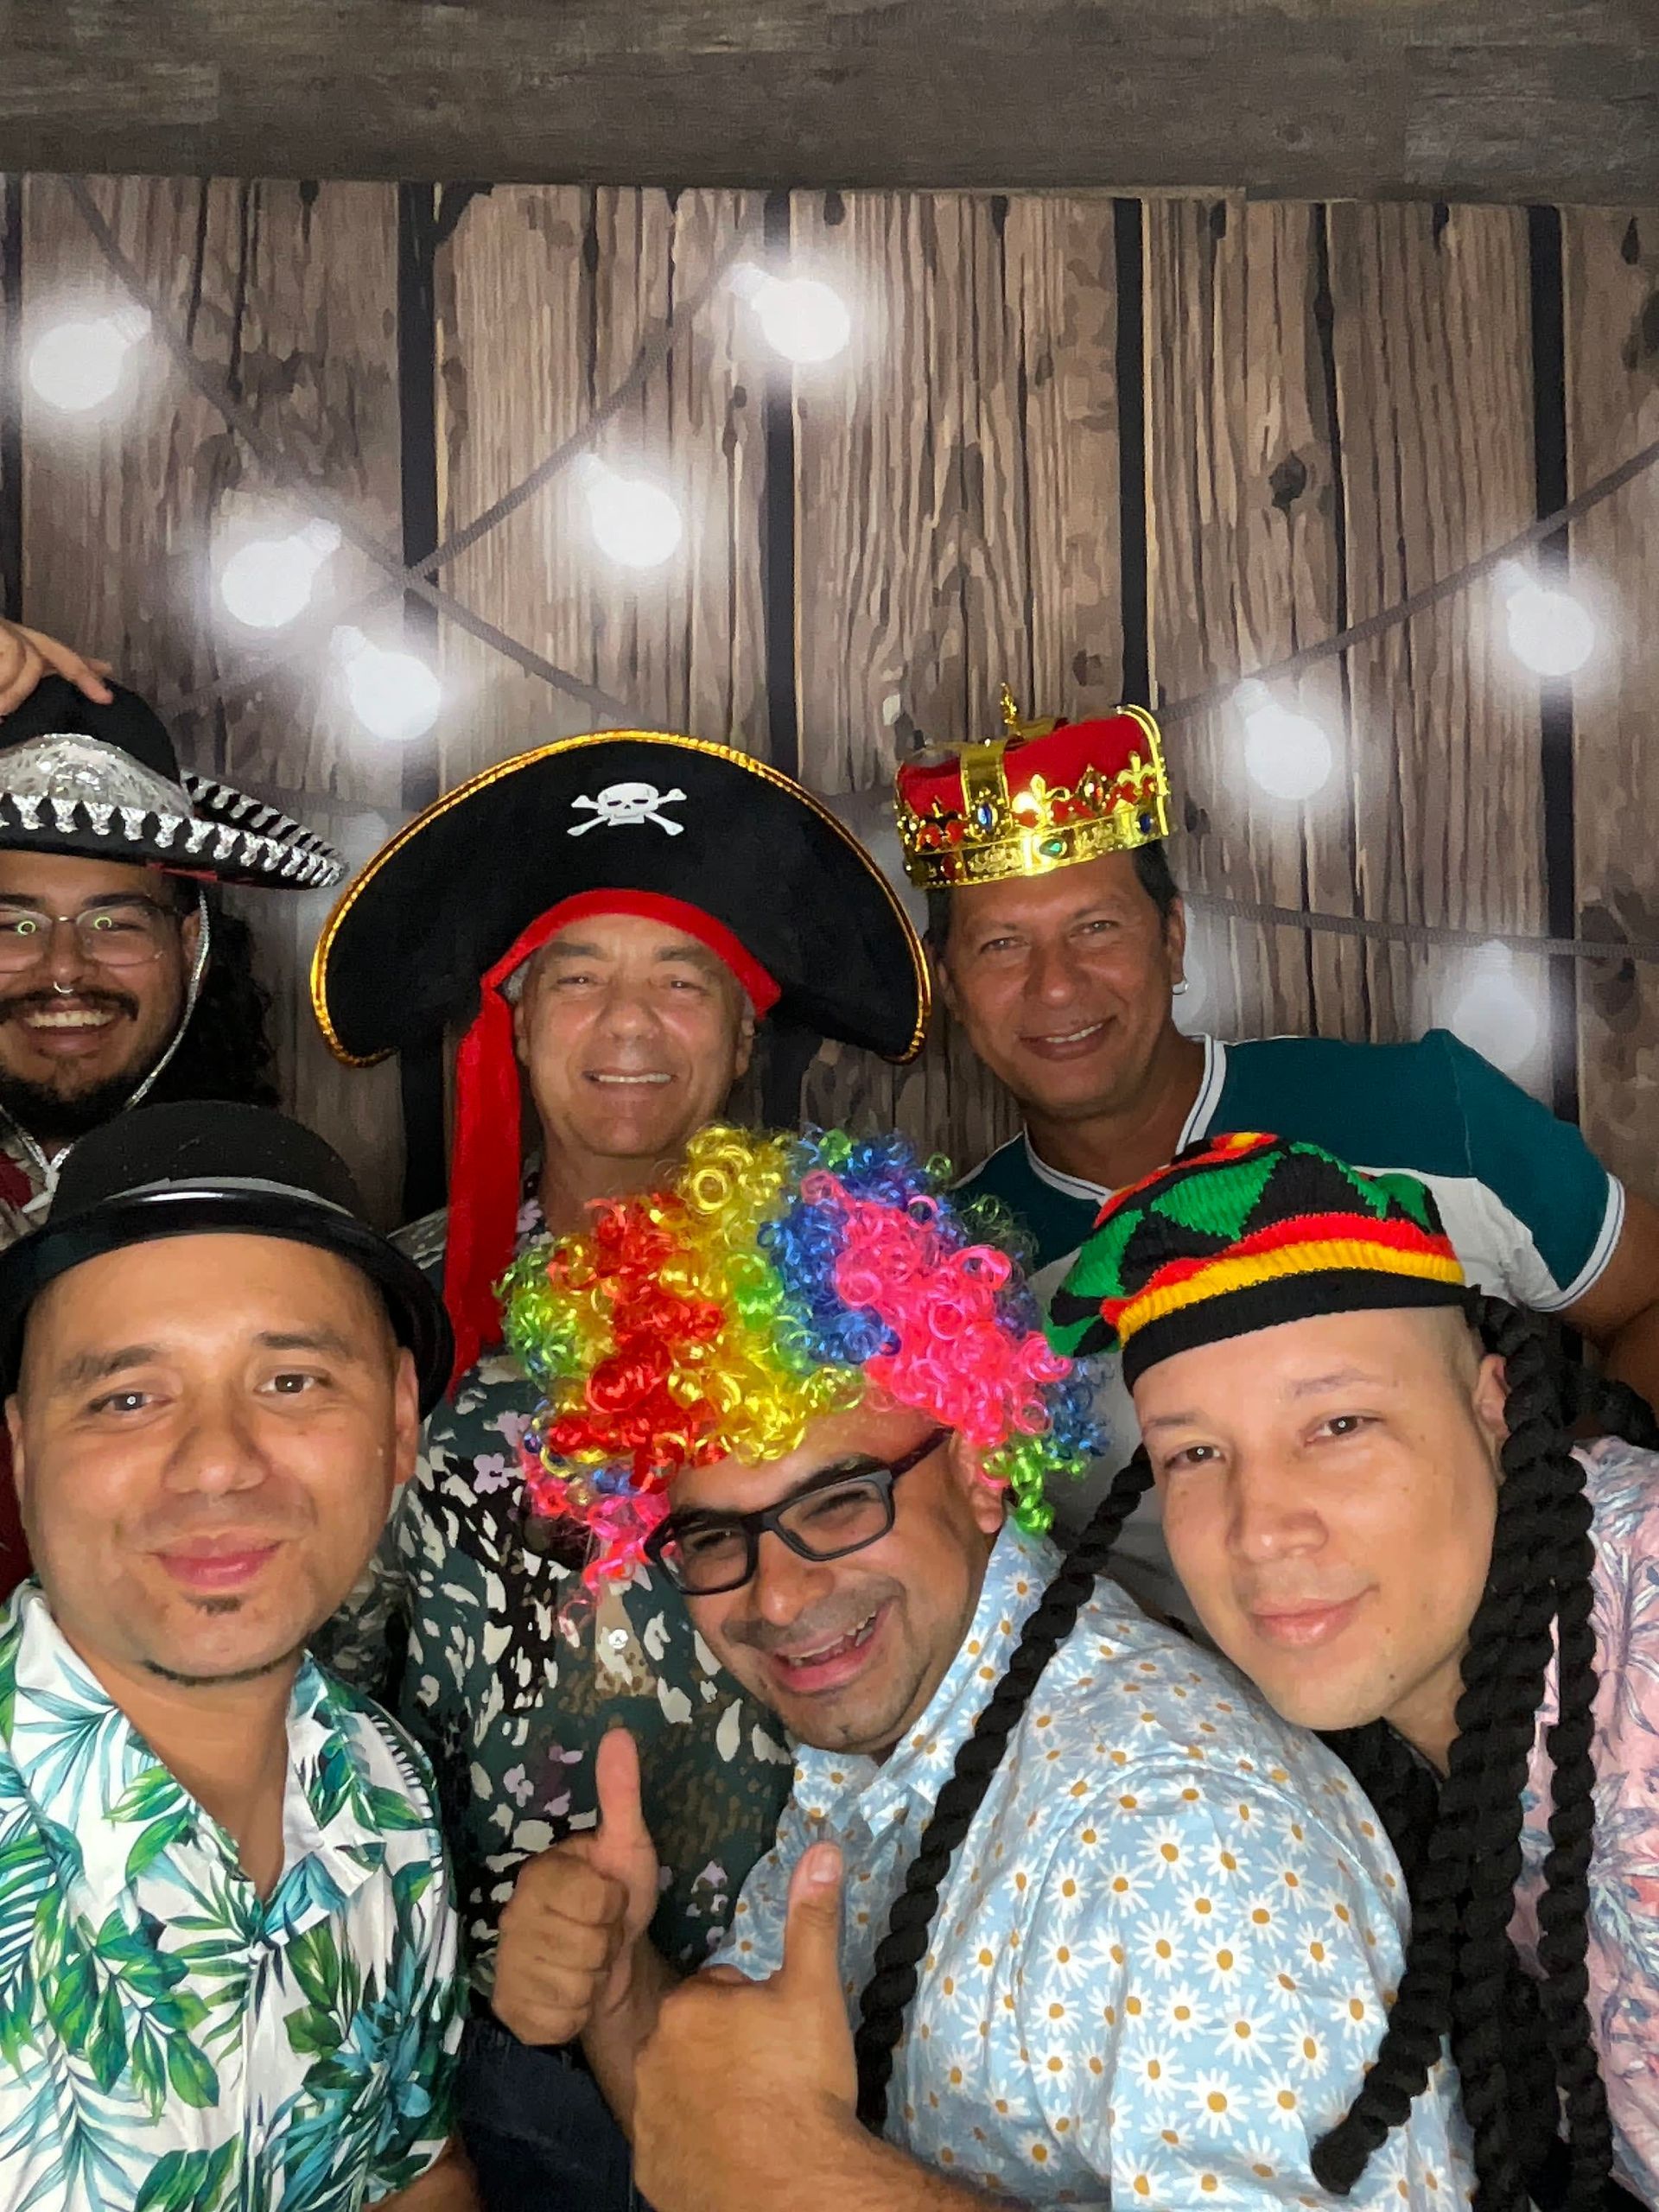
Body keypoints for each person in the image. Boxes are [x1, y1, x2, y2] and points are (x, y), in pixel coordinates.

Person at [486, 1122, 1474, 2208]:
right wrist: (621, 1989)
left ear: (979, 1467)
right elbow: (729, 2154)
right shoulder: (883, 1740)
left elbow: (789, 2173)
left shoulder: (1185, 1835)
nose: (775, 1596)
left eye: (839, 1499)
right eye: (717, 1537)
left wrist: (838, 2188)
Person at [312, 733, 928, 2204]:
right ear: (514, 1024)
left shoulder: (875, 1287)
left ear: (740, 1032)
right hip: (505, 2031)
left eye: (682, 978)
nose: (628, 1023)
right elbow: (317, 1697)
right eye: (578, 976)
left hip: (848, 1990)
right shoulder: (385, 1312)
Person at [893, 692, 1659, 1605]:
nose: (1055, 985)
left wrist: (1560, 1515)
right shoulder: (948, 1280)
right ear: (952, 985)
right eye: (1002, 945)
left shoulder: (1422, 1113)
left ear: (1173, 939)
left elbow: (1649, 1297)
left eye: (1096, 928)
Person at [1049, 1130, 1659, 2209]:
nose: (1260, 1529)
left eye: (1338, 1423)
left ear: (1490, 1403)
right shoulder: (1364, 1744)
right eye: (1195, 1451)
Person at [0, 1099, 473, 2209]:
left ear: (401, 1422)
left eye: (292, 1382)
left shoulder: (387, 1784)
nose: (216, 1464)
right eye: (127, 1397)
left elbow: (413, 2172)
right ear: (22, 1453)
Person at [0, 674, 343, 1599]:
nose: (63, 968)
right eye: (13, 924)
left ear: (189, 948)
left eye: (114, 923)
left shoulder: (281, 1225)